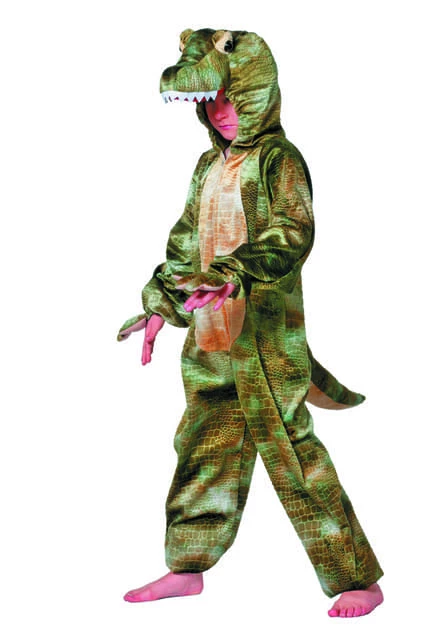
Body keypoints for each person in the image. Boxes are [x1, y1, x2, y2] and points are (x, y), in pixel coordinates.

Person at [118, 29, 383, 618]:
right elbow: (186, 243)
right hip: (210, 341)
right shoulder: (207, 166)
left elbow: (292, 233)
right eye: (212, 102)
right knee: (201, 451)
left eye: (233, 98)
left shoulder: (278, 160)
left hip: (266, 343)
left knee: (293, 457)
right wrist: (161, 305)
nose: (222, 112)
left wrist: (233, 272)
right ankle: (187, 567)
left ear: (259, 94)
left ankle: (357, 579)